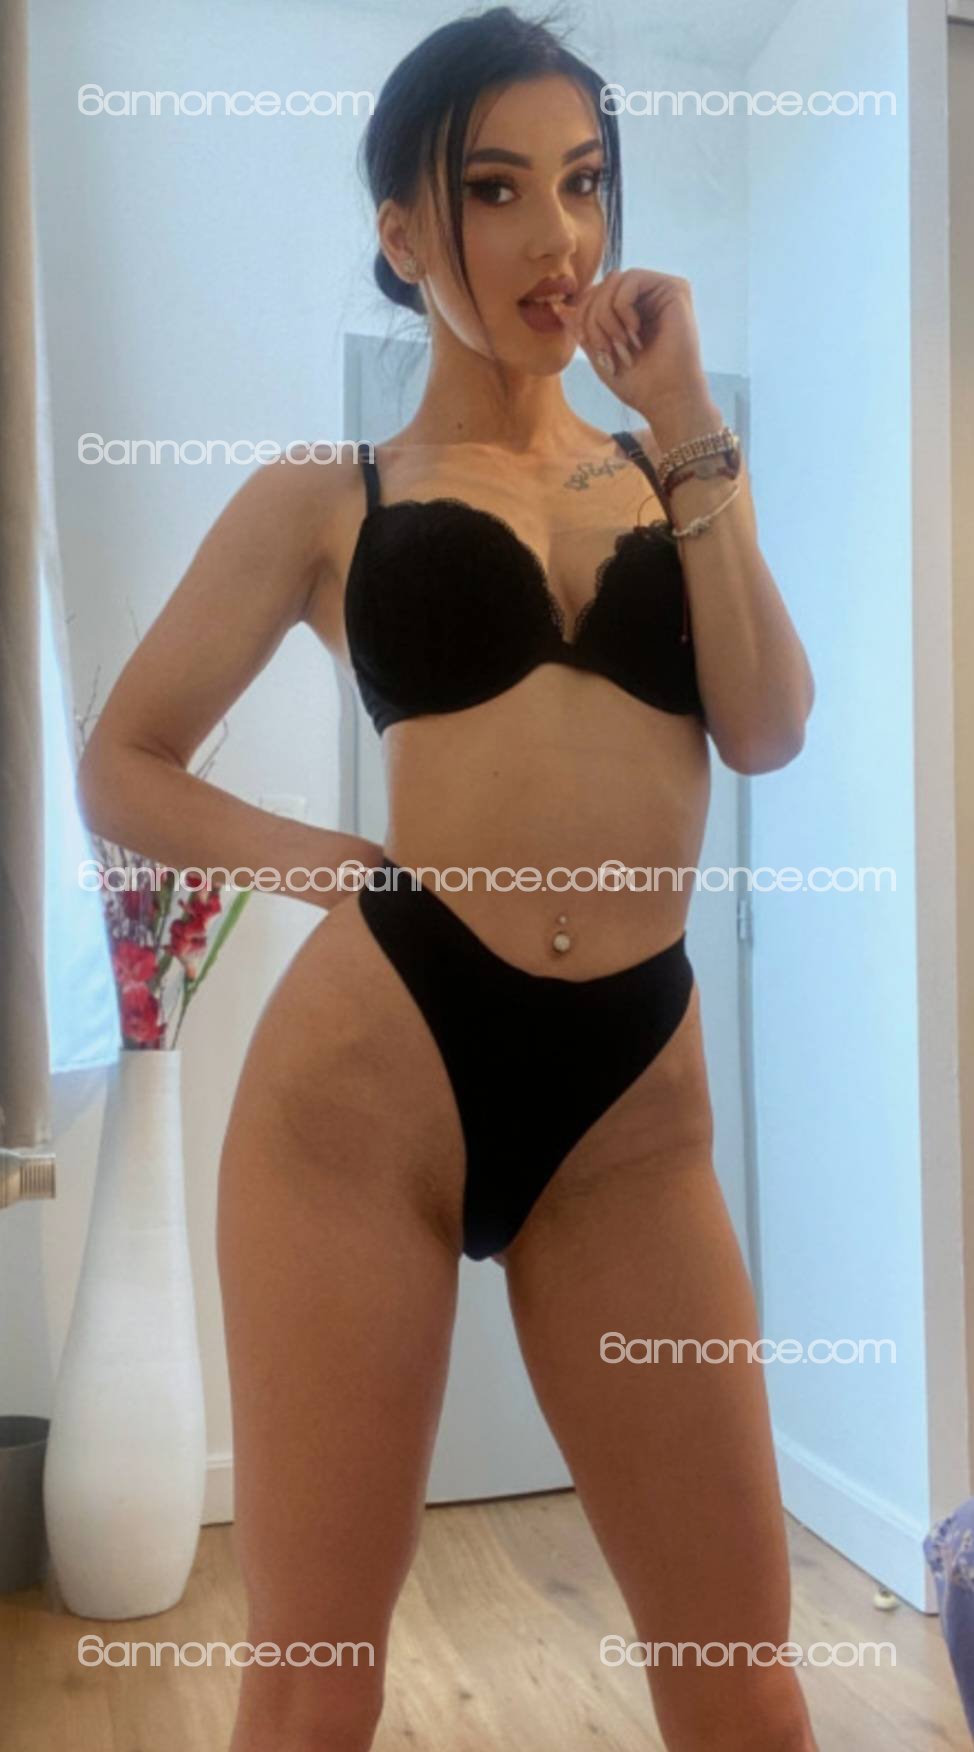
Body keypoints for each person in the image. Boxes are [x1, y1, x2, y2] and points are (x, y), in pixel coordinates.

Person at [79, 9, 817, 1749]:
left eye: (584, 183)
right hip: (371, 1097)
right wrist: (327, 867)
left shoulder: (669, 475)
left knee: (741, 1670)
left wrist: (686, 417)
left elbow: (768, 727)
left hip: (630, 1108)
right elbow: (123, 763)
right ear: (405, 232)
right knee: (313, 1676)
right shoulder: (326, 494)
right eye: (495, 189)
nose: (556, 235)